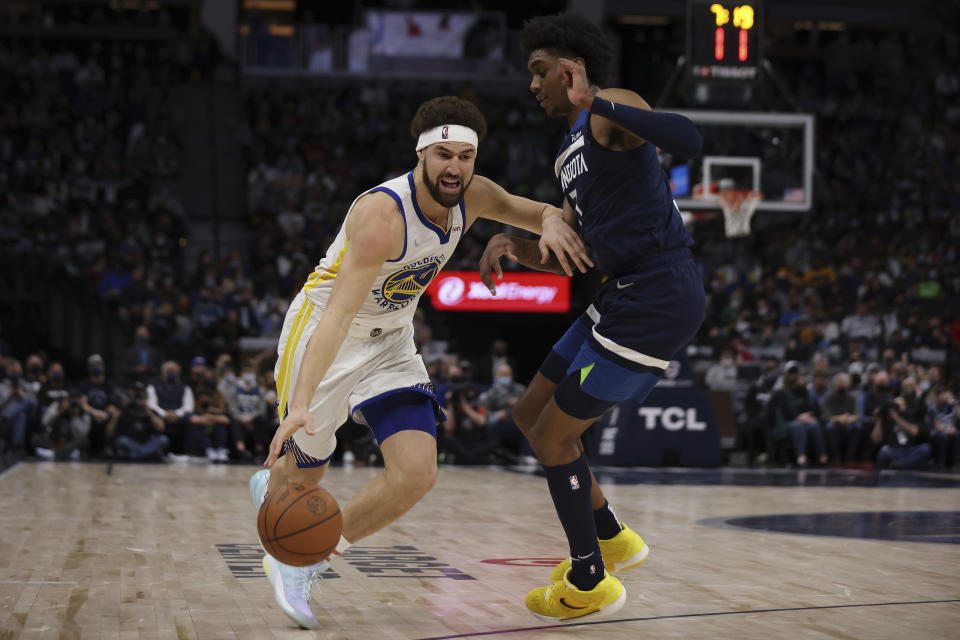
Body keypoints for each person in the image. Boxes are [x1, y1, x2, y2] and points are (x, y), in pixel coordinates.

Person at [249, 95, 588, 629]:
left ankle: (304, 557)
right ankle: (279, 489)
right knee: (302, 478)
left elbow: (539, 210)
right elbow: (337, 316)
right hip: (327, 332)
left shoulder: (473, 195)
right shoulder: (382, 216)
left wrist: (548, 221)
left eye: (465, 157)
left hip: (392, 340)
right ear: (421, 154)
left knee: (417, 474)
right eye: (443, 154)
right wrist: (298, 404)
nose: (455, 167)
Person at [478, 12, 704, 621]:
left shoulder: (610, 110)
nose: (533, 84)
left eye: (539, 70)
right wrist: (513, 249)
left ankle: (589, 579)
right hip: (618, 291)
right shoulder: (566, 154)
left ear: (571, 68)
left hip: (658, 292)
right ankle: (614, 537)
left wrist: (598, 98)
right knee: (530, 415)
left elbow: (688, 139)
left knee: (556, 436)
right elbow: (569, 259)